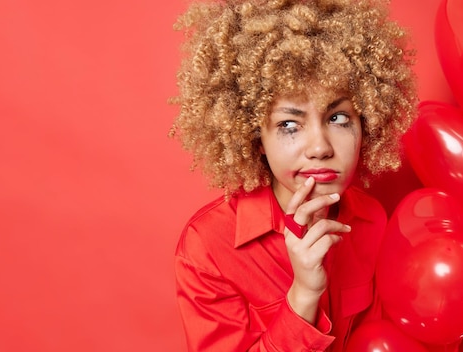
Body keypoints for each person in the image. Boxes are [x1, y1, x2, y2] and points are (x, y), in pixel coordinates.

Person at [168, 0, 416, 350]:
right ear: (257, 139)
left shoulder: (373, 221)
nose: (319, 147)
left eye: (338, 118)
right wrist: (304, 296)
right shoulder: (209, 246)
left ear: (367, 123)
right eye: (289, 124)